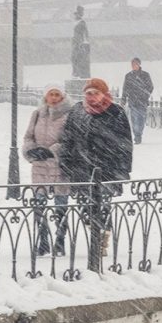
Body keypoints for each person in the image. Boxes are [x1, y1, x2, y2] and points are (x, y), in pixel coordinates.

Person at [58, 78, 133, 256]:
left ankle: (100, 243)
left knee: (103, 205)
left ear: (104, 94)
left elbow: (125, 143)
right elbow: (67, 138)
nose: (92, 97)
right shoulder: (77, 111)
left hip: (107, 168)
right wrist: (65, 161)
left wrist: (123, 169)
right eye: (89, 93)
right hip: (82, 168)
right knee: (86, 207)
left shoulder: (116, 112)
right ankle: (96, 233)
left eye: (96, 93)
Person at [23, 84, 74, 256]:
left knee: (61, 206)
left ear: (62, 96)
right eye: (50, 94)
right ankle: (43, 242)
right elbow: (28, 136)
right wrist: (31, 150)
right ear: (45, 97)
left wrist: (52, 151)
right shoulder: (37, 114)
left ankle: (60, 242)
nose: (53, 97)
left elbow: (70, 141)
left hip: (59, 166)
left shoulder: (69, 115)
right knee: (39, 206)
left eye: (56, 94)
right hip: (40, 166)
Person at [122, 57, 154, 145]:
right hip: (133, 101)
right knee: (134, 119)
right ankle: (137, 136)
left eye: (135, 64)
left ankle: (139, 133)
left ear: (139, 64)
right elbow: (125, 89)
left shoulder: (145, 75)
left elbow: (150, 87)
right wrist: (123, 100)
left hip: (143, 101)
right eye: (132, 64)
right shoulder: (128, 76)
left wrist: (144, 95)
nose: (133, 66)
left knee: (141, 119)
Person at [70, 5, 90, 79]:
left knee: (77, 58)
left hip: (79, 43)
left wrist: (84, 42)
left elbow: (86, 33)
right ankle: (76, 72)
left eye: (76, 14)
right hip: (75, 42)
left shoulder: (82, 22)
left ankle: (78, 73)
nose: (75, 15)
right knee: (74, 58)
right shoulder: (77, 22)